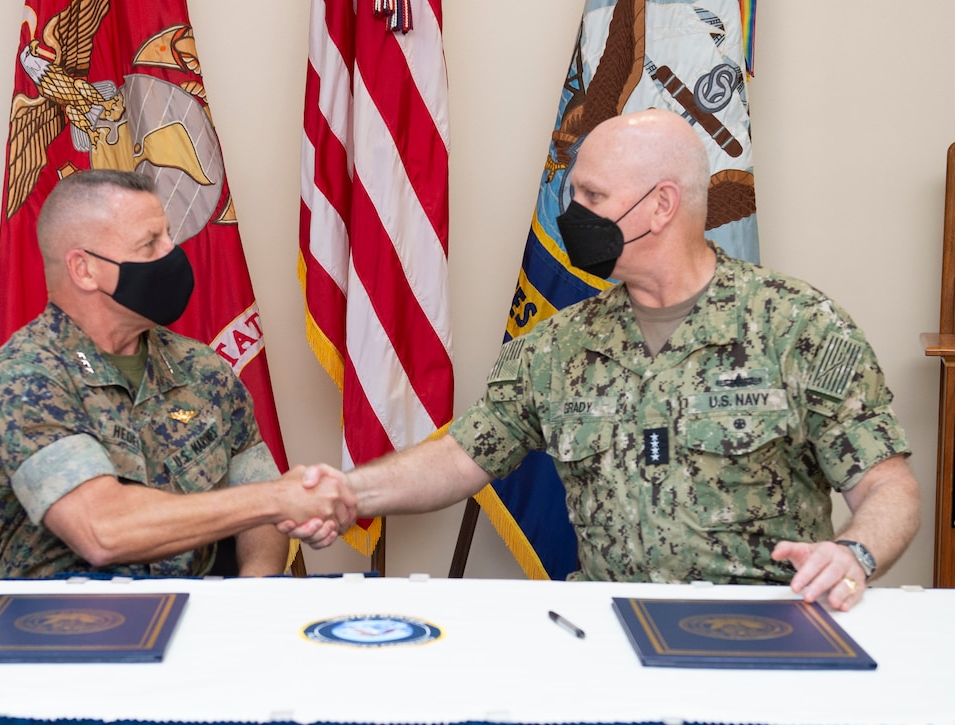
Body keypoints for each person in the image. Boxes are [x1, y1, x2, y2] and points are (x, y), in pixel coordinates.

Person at [283, 108, 920, 611]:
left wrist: (854, 554)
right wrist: (348, 491)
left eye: (591, 195)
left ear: (662, 206)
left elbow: (887, 486)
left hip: (761, 628)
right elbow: (458, 459)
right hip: (605, 633)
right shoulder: (556, 347)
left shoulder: (797, 326)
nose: (571, 213)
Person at [0, 169, 354, 578]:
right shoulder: (28, 375)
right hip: (72, 627)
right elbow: (103, 531)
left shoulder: (203, 369)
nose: (173, 251)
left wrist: (251, 596)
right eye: (149, 244)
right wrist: (278, 499)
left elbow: (259, 515)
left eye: (168, 235)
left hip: (202, 619)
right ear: (84, 270)